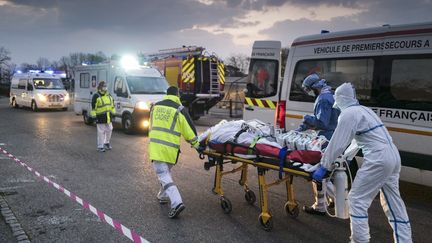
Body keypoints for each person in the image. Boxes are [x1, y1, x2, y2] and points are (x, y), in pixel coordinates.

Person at [313, 83, 412, 243]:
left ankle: (359, 241)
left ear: (341, 101)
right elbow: (357, 140)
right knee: (393, 203)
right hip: (393, 156)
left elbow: (337, 142)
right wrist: (346, 157)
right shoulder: (364, 110)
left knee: (357, 200)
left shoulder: (348, 114)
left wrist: (324, 166)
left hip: (378, 158)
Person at [148, 86, 201, 219]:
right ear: (177, 95)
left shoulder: (155, 107)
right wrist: (198, 146)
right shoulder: (179, 109)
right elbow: (189, 131)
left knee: (163, 175)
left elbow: (151, 125)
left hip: (156, 148)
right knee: (165, 174)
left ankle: (177, 202)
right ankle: (163, 195)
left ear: (167, 94)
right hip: (171, 150)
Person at [296, 73, 340, 216]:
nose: (310, 93)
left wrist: (306, 119)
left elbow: (322, 122)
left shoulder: (323, 100)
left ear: (315, 87)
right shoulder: (329, 94)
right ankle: (325, 202)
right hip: (332, 137)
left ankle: (333, 202)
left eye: (310, 90)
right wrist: (304, 126)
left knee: (318, 172)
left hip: (327, 138)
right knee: (324, 172)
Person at [90, 81, 115, 152]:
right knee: (101, 132)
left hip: (108, 117)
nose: (105, 87)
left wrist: (113, 113)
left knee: (110, 129)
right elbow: (93, 108)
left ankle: (106, 142)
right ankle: (100, 146)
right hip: (100, 117)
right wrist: (94, 117)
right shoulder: (96, 96)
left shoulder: (109, 95)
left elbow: (112, 106)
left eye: (106, 86)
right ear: (100, 87)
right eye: (104, 86)